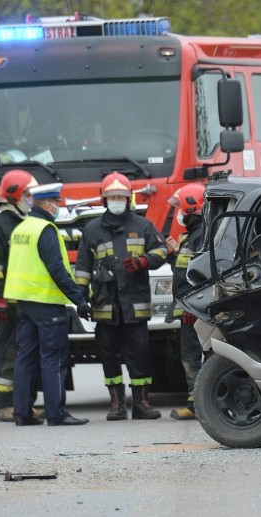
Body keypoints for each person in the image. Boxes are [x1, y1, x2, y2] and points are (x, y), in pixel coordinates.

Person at [74, 172, 169, 420]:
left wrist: (142, 261)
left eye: (122, 196)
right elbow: (82, 267)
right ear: (104, 199)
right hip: (105, 306)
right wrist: (80, 298)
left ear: (129, 199)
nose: (117, 200)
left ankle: (141, 403)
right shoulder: (92, 230)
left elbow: (161, 251)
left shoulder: (143, 225)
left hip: (134, 304)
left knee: (139, 354)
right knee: (108, 355)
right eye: (113, 197)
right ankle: (116, 404)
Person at [4, 182, 91, 426]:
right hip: (46, 303)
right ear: (47, 203)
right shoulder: (45, 229)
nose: (58, 207)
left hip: (24, 303)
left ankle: (22, 413)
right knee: (53, 357)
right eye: (57, 202)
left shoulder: (22, 228)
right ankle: (57, 414)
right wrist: (80, 300)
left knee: (25, 357)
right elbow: (58, 270)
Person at [0, 169, 44, 422]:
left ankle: (22, 403)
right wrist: (0, 300)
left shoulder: (22, 222)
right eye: (28, 194)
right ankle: (5, 405)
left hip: (25, 301)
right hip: (8, 304)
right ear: (15, 194)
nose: (31, 199)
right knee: (8, 352)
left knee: (24, 353)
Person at [164, 186, 206, 420]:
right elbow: (184, 271)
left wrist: (195, 308)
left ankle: (196, 405)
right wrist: (174, 255)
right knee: (189, 355)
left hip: (194, 310)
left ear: (191, 208)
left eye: (180, 207)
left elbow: (203, 274)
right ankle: (196, 402)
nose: (178, 212)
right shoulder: (190, 236)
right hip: (189, 309)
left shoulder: (202, 235)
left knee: (193, 356)